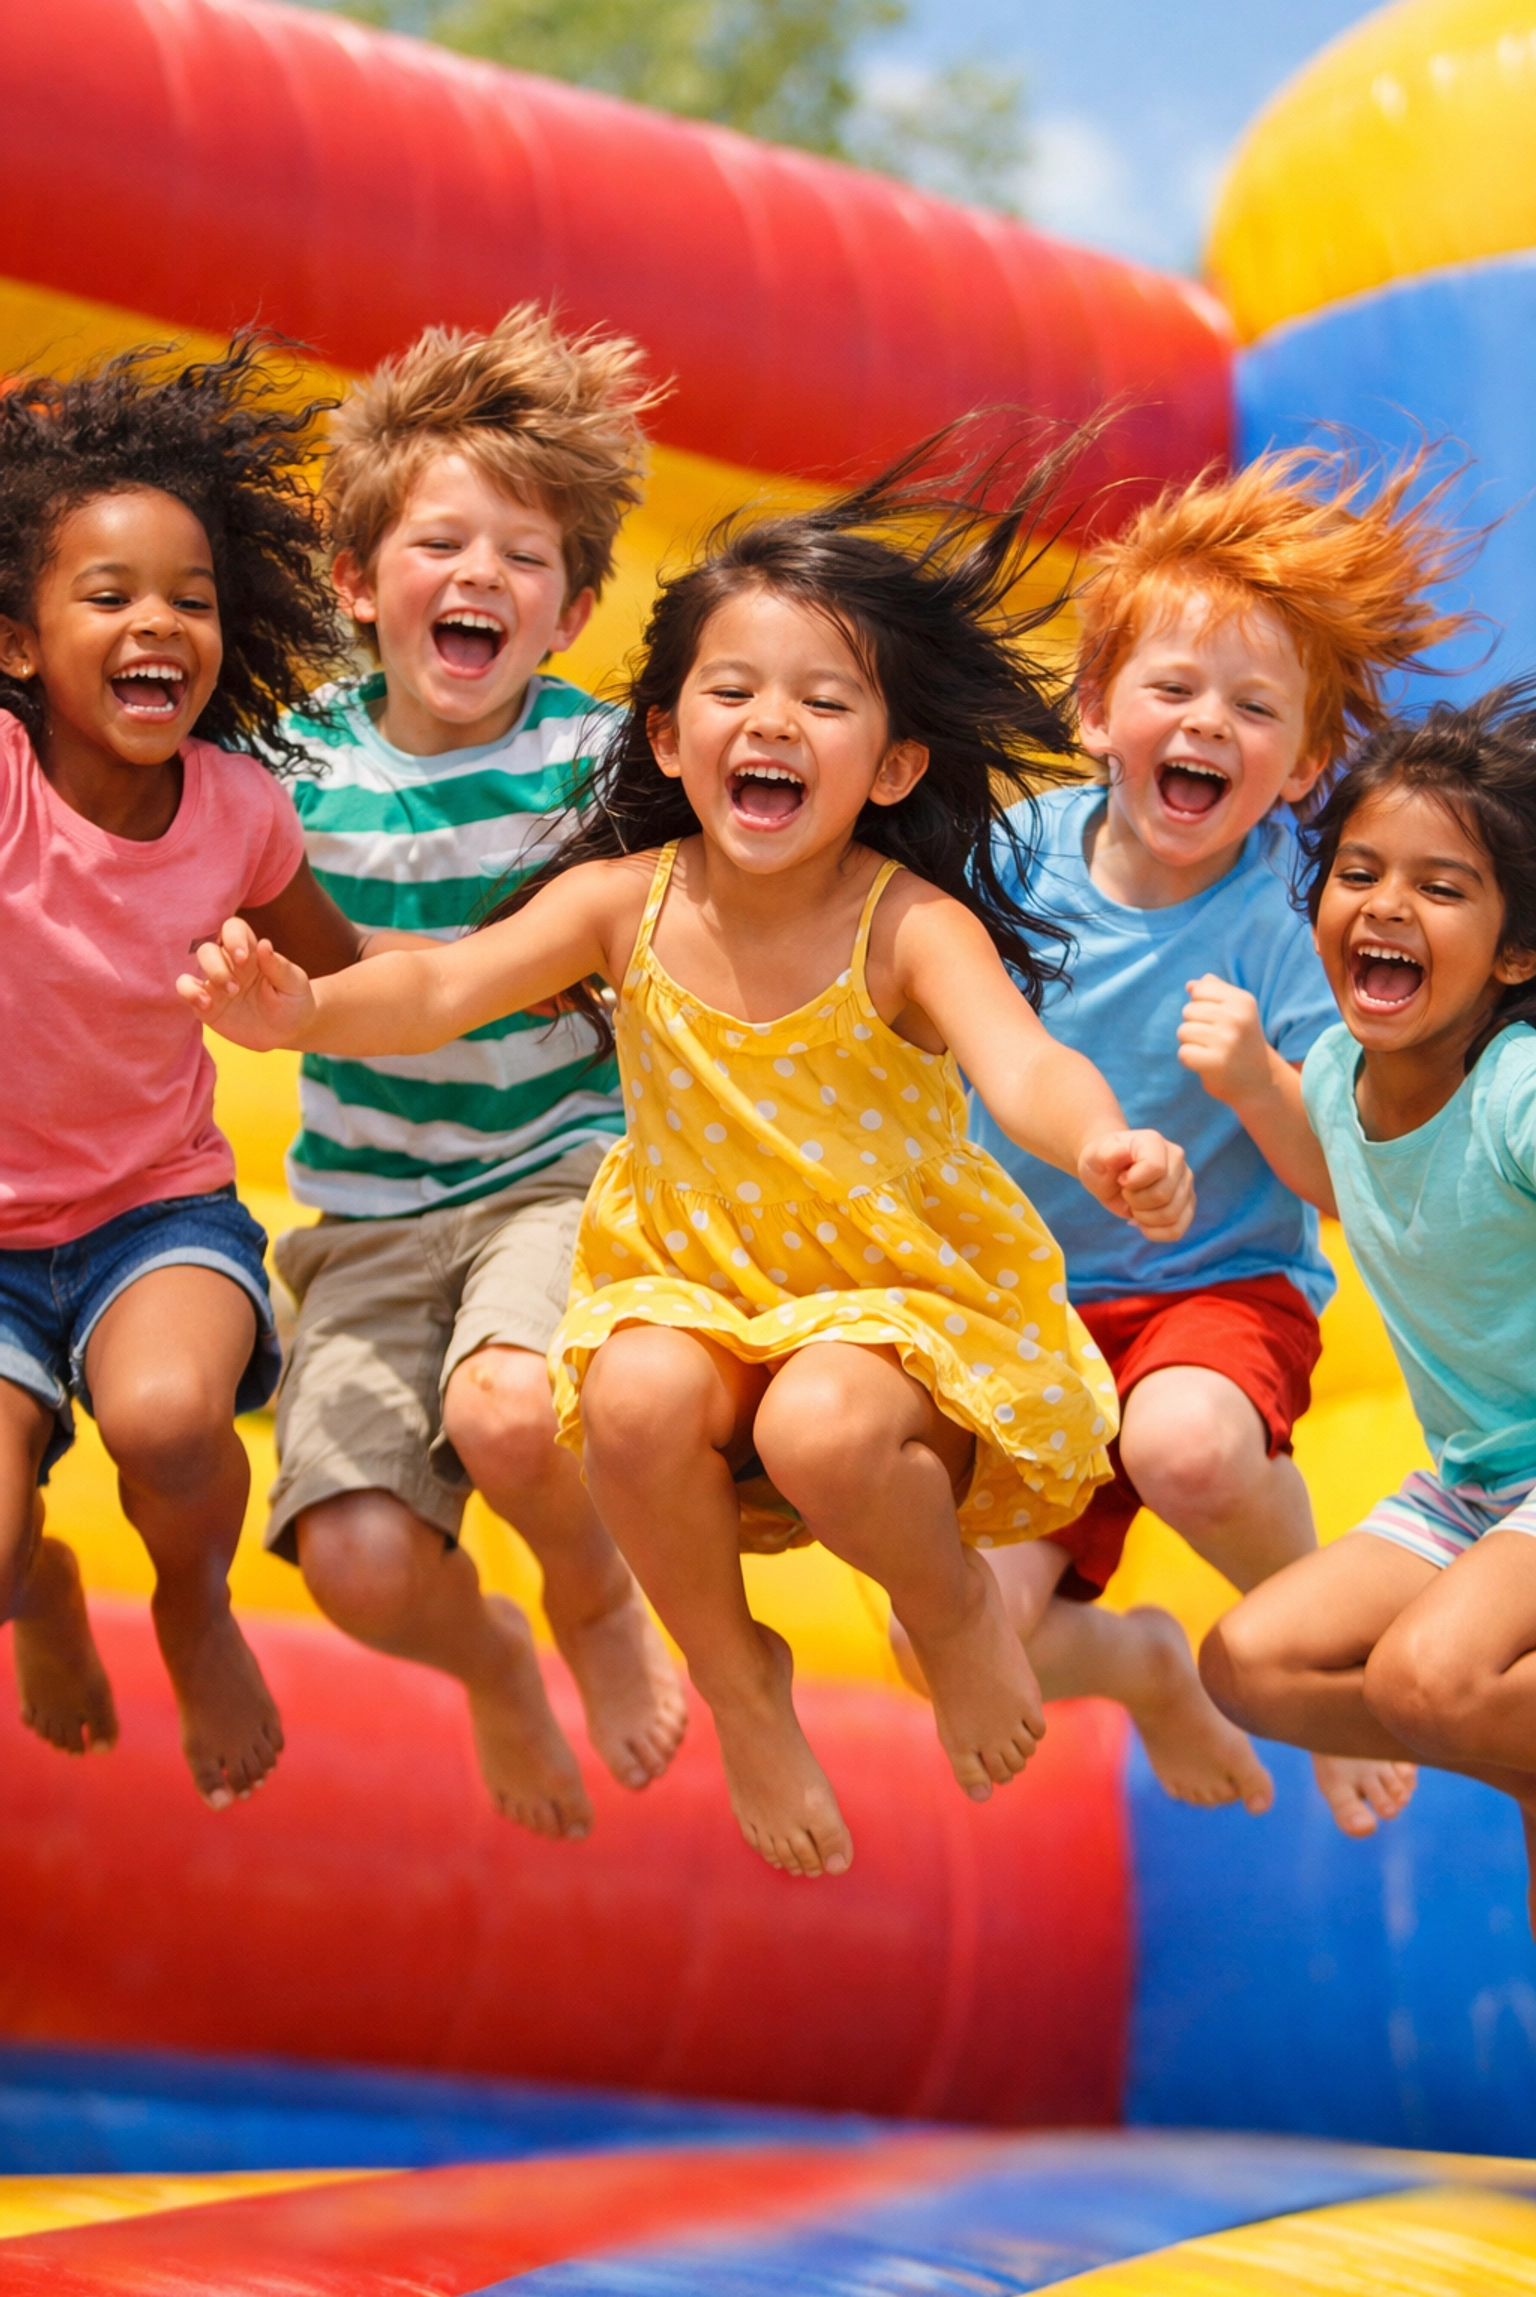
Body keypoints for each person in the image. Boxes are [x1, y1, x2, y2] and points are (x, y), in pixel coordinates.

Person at [180, 433, 1194, 1881]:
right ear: (664, 735)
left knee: (824, 1433)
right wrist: (307, 1008)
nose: (769, 722)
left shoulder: (904, 922)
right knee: (637, 1394)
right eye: (732, 691)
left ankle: (958, 1610)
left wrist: (1102, 1141)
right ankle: (739, 1685)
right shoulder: (621, 901)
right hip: (699, 1283)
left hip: (889, 1297)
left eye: (821, 700)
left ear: (895, 761)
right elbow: (442, 988)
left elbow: (1020, 1061)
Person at [964, 449, 1471, 1836]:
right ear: (1094, 713)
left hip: (1212, 1290)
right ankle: (1136, 1667)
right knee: (956, 1648)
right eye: (1173, 691)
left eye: (1253, 710)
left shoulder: (1288, 930)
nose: (1207, 725)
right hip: (1023, 1310)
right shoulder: (1009, 865)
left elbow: (1339, 1178)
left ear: (1302, 763)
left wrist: (1257, 1078)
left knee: (1184, 1445)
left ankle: (1312, 1651)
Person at [265, 308, 686, 1841]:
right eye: (440, 542)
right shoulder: (283, 770)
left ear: (570, 610)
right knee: (363, 1566)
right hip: (368, 1216)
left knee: (511, 1413)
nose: (478, 579)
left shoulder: (602, 768)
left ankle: (588, 1594)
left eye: (523, 558)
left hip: (561, 1177)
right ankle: (495, 1657)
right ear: (355, 582)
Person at [0, 336, 380, 1806]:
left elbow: (342, 979)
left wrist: (308, 997)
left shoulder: (237, 814)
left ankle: (195, 1600)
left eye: (192, 600)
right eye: (110, 597)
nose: (159, 623)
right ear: (23, 644)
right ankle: (41, 1590)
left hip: (155, 1215)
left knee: (167, 1417)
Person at [1193, 683, 1536, 1921]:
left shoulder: (1517, 1090)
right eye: (1359, 873)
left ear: (1517, 952)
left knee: (1426, 1679)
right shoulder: (1337, 1067)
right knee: (1250, 1664)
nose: (1387, 904)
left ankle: (1492, 1725)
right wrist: (1248, 1084)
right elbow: (1341, 1179)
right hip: (1476, 1482)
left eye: (1442, 889)